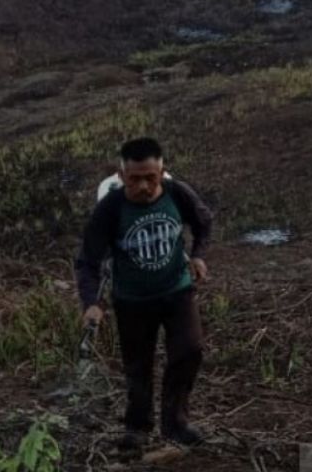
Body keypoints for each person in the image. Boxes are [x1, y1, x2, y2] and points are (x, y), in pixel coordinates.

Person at [75, 137, 214, 447]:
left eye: (150, 178)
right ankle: (137, 428)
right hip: (132, 301)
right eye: (135, 179)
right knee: (138, 365)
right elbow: (88, 261)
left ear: (161, 172)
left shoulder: (177, 194)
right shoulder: (109, 210)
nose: (143, 186)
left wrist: (199, 254)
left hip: (177, 291)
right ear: (122, 176)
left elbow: (204, 222)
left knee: (189, 351)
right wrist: (92, 303)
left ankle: (175, 424)